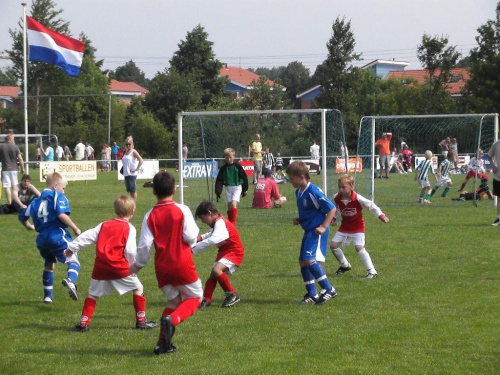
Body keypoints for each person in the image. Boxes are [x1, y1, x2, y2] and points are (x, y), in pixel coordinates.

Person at [131, 170, 202, 355]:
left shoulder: (149, 215)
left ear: (154, 191)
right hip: (182, 261)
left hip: (162, 266)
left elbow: (145, 246)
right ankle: (174, 320)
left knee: (173, 301)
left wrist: (137, 266)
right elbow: (191, 236)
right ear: (175, 190)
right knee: (195, 298)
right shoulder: (182, 209)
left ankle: (162, 345)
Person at [64, 195, 157, 332]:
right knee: (138, 288)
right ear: (132, 211)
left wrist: (72, 248)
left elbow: (87, 236)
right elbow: (130, 250)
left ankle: (84, 323)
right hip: (119, 267)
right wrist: (133, 265)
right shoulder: (129, 228)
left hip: (101, 267)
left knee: (93, 295)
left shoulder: (104, 225)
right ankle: (141, 321)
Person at [18, 172, 81, 304]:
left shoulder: (35, 201)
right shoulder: (57, 196)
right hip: (56, 234)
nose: (64, 191)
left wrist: (29, 226)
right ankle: (71, 280)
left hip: (42, 239)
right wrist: (75, 228)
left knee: (49, 263)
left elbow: (22, 217)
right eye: (63, 188)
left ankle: (48, 296)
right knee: (73, 258)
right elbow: (61, 215)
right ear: (56, 186)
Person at [286, 160, 337, 305]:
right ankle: (312, 294)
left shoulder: (313, 191)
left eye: (292, 178)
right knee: (303, 262)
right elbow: (310, 211)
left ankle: (329, 289)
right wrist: (300, 219)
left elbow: (331, 208)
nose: (290, 181)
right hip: (309, 229)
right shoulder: (299, 191)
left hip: (317, 231)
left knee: (309, 260)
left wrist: (323, 226)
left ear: (302, 176)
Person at [330, 174, 389, 279]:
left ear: (351, 186)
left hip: (357, 227)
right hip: (345, 226)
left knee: (359, 247)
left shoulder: (357, 198)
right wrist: (333, 218)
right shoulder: (336, 197)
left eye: (344, 187)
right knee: (333, 246)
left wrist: (381, 215)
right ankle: (344, 265)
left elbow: (371, 205)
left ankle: (372, 271)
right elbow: (335, 208)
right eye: (339, 187)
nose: (341, 189)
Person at [192, 201, 245, 309]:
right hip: (225, 250)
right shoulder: (218, 222)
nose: (204, 222)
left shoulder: (220, 223)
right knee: (214, 274)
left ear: (209, 213)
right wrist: (198, 239)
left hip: (234, 251)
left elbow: (213, 239)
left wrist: (193, 249)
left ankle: (232, 294)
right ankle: (206, 299)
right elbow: (211, 234)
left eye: (203, 218)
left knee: (217, 270)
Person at [214, 148, 248, 225]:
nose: (229, 159)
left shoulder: (237, 166)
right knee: (229, 206)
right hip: (228, 188)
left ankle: (233, 223)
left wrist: (245, 189)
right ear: (225, 158)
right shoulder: (223, 168)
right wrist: (218, 191)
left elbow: (244, 177)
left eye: (230, 157)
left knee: (233, 203)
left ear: (234, 157)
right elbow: (219, 179)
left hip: (237, 187)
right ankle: (230, 222)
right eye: (227, 157)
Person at [0, 133, 25, 204]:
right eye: (13, 139)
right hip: (14, 168)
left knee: (7, 186)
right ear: (10, 139)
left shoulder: (1, 146)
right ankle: (16, 202)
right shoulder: (15, 146)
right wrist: (22, 168)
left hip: (5, 169)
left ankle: (10, 202)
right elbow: (20, 158)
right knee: (15, 185)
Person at [121, 136, 144, 202]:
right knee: (129, 189)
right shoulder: (125, 152)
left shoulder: (134, 151)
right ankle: (131, 202)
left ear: (132, 144)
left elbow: (141, 160)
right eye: (127, 144)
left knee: (133, 189)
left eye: (129, 144)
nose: (128, 146)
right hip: (126, 173)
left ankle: (133, 204)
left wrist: (136, 169)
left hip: (132, 174)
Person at [487, 140, 500, 226]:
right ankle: (499, 219)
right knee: (499, 198)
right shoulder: (496, 144)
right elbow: (489, 156)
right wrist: (493, 166)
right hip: (498, 176)